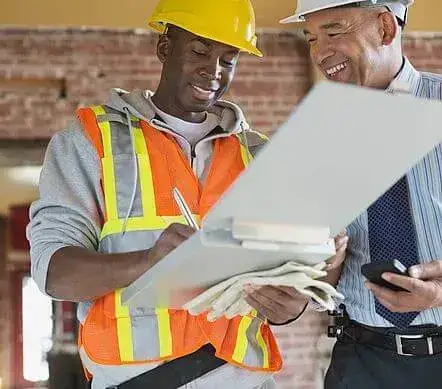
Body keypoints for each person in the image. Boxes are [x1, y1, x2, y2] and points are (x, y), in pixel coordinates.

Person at [26, 1, 319, 388]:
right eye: (200, 50)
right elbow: (55, 273)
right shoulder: (92, 140)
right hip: (136, 380)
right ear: (165, 48)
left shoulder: (258, 155)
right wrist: (148, 262)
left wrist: (291, 304)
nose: (212, 71)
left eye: (228, 59)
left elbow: (284, 271)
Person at [280, 1, 442, 388]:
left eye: (334, 31)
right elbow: (320, 280)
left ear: (385, 27)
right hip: (362, 362)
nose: (320, 52)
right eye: (312, 39)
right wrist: (321, 263)